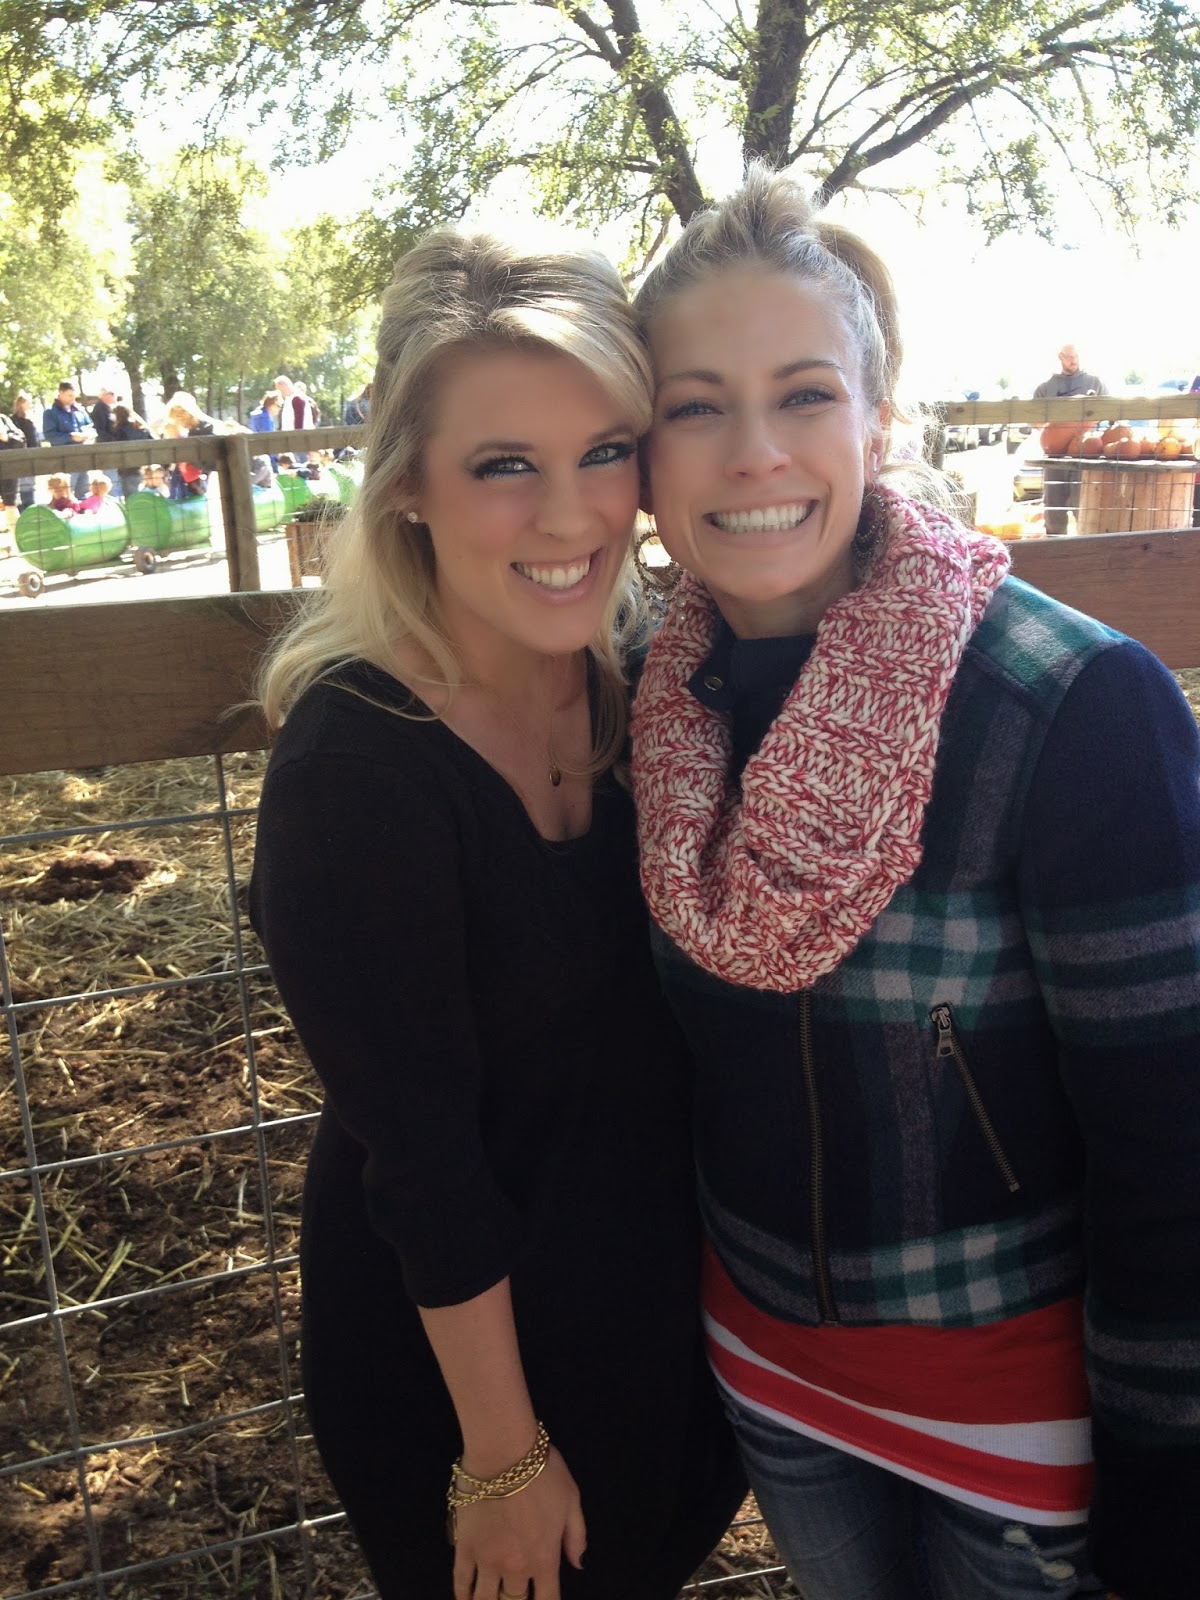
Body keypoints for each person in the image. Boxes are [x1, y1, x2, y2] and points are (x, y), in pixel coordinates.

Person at [629, 167, 1199, 1600]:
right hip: (770, 1374)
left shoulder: (1069, 705)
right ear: (643, 451)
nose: (754, 452)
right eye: (696, 407)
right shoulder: (644, 703)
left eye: (805, 394)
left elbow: (1175, 1145)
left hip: (1018, 1410)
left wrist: (1168, 1484)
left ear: (879, 422)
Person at [248, 226, 744, 1600]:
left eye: (605, 451)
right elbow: (423, 1164)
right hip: (468, 1373)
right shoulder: (356, 770)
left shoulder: (655, 676)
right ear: (408, 484)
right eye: (504, 465)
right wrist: (504, 1456)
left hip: (662, 1317)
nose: (572, 517)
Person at [1033, 345, 1107, 535]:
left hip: (1084, 456)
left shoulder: (1095, 383)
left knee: (1083, 507)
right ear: (1060, 357)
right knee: (1053, 509)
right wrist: (1057, 427)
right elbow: (1035, 421)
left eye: (1076, 356)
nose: (1073, 361)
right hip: (1054, 458)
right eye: (1069, 357)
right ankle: (1054, 547)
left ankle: (1085, 546)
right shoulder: (1045, 388)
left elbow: (1108, 413)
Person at [42, 381, 96, 497]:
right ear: (61, 393)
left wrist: (88, 434)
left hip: (83, 457)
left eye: (74, 395)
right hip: (64, 460)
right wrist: (71, 437)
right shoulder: (50, 413)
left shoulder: (80, 410)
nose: (73, 398)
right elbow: (50, 435)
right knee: (65, 493)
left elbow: (91, 427)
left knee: (84, 493)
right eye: (69, 395)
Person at [111, 403, 153, 500]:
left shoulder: (120, 430)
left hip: (128, 468)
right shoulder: (141, 427)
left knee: (131, 498)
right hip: (144, 466)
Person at [10, 393, 41, 509]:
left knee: (30, 486)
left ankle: (29, 508)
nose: (30, 404)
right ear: (22, 403)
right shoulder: (15, 421)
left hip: (31, 457)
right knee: (23, 487)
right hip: (21, 458)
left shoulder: (29, 419)